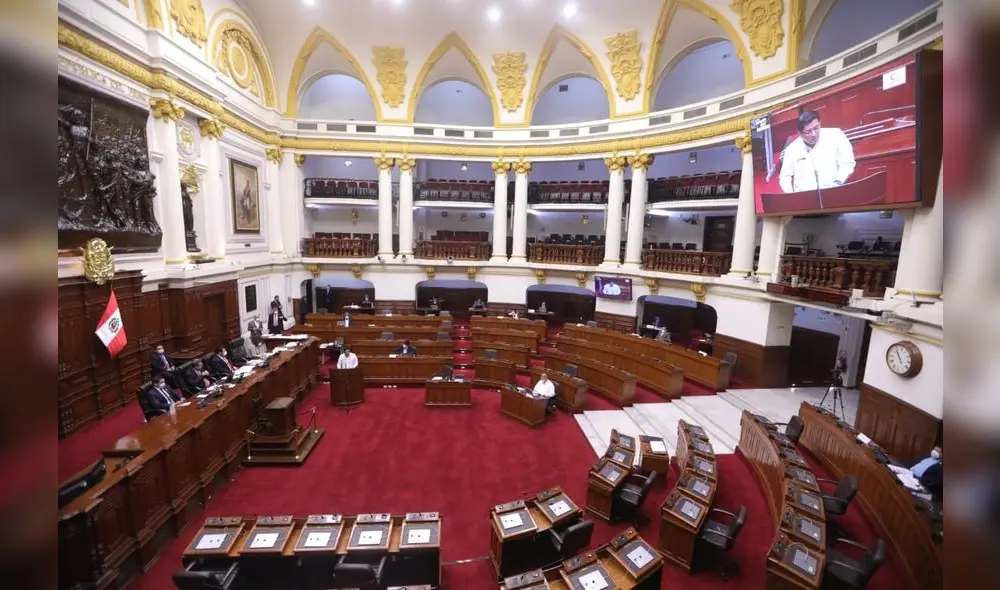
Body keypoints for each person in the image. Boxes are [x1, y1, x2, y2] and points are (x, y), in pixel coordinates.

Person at [778, 110, 856, 194]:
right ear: (800, 134)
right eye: (808, 132)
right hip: (806, 196)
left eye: (816, 128)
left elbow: (847, 162)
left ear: (820, 123)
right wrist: (793, 196)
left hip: (834, 190)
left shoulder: (836, 135)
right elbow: (785, 177)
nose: (814, 134)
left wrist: (838, 181)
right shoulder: (791, 150)